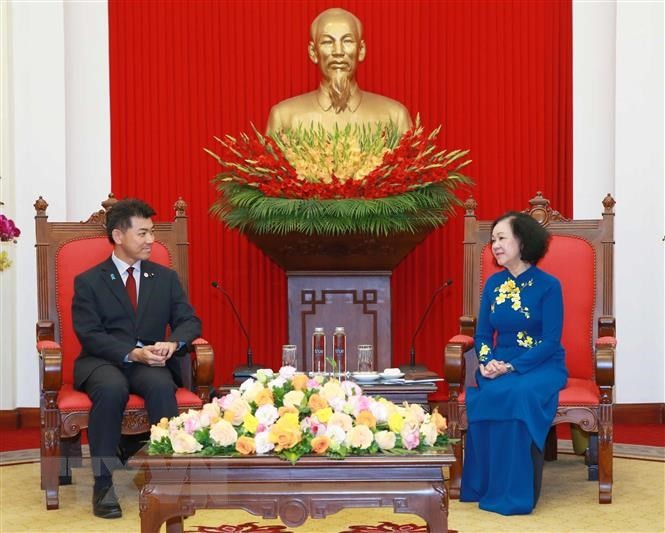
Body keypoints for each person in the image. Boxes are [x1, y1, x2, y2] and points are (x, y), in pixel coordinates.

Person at [72, 198, 202, 519]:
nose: (151, 240)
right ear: (118, 236)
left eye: (152, 232)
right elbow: (89, 333)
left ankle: (167, 481)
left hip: (151, 363)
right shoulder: (89, 281)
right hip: (104, 360)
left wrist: (173, 343)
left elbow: (189, 321)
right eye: (142, 233)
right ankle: (103, 484)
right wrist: (130, 352)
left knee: (161, 387)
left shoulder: (165, 278)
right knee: (111, 388)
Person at [460, 211, 568, 515]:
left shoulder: (549, 285)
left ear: (523, 241)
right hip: (499, 361)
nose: (495, 245)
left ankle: (519, 492)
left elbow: (550, 341)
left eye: (502, 237)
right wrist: (486, 361)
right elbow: (482, 334)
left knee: (518, 394)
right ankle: (487, 486)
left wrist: (511, 366)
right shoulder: (493, 284)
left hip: (541, 364)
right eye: (493, 239)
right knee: (488, 392)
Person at [265, 7, 413, 135]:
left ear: (361, 50)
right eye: (328, 42)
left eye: (347, 41)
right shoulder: (284, 118)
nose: (338, 51)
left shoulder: (395, 118)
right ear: (313, 52)